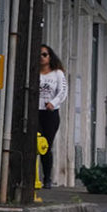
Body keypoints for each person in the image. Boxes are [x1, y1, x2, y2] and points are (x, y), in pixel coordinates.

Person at [36, 45, 68, 185]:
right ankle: (31, 176)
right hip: (35, 112)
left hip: (50, 113)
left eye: (44, 54)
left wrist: (53, 103)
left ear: (50, 57)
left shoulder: (57, 74)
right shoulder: (34, 72)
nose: (41, 57)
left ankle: (47, 177)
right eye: (39, 55)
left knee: (45, 146)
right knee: (34, 142)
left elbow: (63, 92)